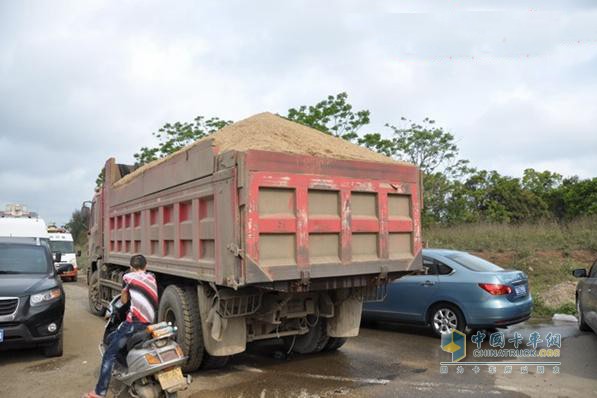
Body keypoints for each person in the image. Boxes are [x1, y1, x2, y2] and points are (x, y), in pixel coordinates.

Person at [83, 254, 158, 398]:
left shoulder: (127, 278)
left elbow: (124, 301)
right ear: (146, 266)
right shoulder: (152, 277)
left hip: (134, 324)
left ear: (131, 267)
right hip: (150, 322)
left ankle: (99, 392)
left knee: (109, 354)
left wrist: (124, 291)